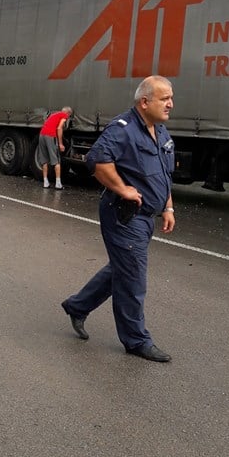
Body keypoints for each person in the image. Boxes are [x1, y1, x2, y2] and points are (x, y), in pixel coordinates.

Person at [61, 76, 175, 362]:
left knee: (122, 268)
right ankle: (136, 340)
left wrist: (168, 207)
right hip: (125, 216)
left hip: (147, 217)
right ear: (144, 101)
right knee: (133, 277)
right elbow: (98, 160)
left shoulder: (160, 131)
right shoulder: (123, 129)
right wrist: (122, 188)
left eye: (171, 98)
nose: (170, 104)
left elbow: (164, 174)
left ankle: (78, 306)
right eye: (164, 98)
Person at [38, 106, 73, 188]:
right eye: (69, 116)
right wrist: (60, 144)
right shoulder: (64, 115)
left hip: (42, 134)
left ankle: (45, 182)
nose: (68, 117)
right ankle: (58, 184)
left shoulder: (54, 114)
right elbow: (59, 128)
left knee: (44, 160)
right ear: (68, 113)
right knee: (56, 160)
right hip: (50, 136)